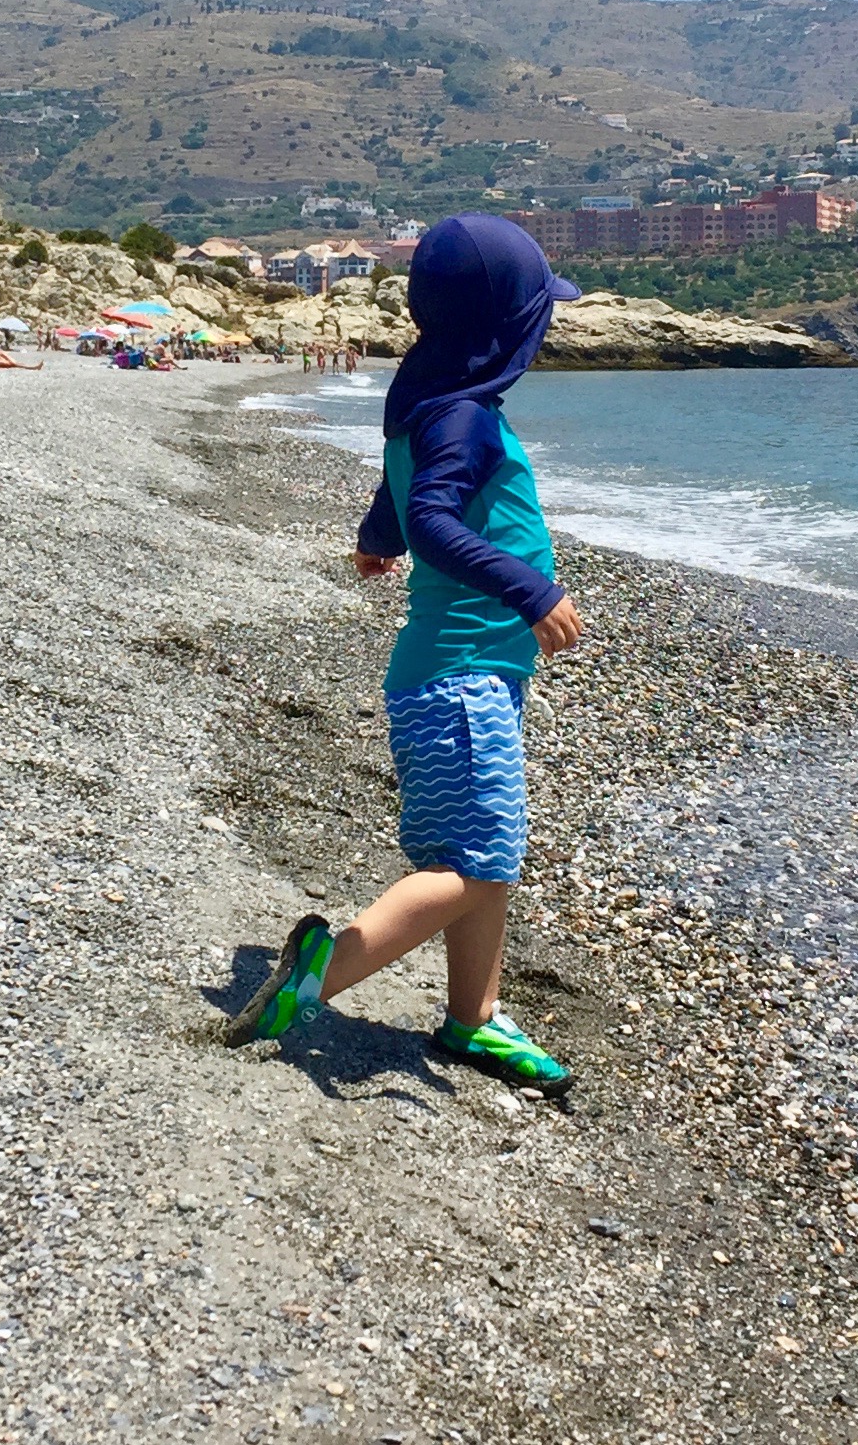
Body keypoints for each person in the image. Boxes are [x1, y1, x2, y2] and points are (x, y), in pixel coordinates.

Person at [224, 216, 584, 1094]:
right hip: (460, 679)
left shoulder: (428, 397)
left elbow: (401, 493)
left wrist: (371, 534)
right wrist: (530, 591)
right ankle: (318, 976)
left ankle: (474, 1018)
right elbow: (433, 517)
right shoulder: (462, 412)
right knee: (467, 864)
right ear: (508, 325)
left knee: (486, 850)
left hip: (466, 676)